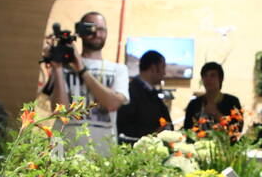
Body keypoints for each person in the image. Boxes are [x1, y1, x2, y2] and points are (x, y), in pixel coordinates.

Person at [41, 11, 128, 155]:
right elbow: (60, 113)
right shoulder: (63, 67)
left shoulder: (118, 69)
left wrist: (81, 69)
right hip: (63, 152)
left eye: (101, 29)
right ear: (80, 31)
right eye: (90, 28)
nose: (96, 33)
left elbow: (112, 103)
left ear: (106, 33)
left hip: (102, 152)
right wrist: (57, 67)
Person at [117, 50, 171, 139]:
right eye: (163, 68)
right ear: (154, 68)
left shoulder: (152, 92)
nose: (164, 73)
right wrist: (152, 134)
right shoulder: (131, 92)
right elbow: (124, 126)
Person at [183, 62, 242, 132]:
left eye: (212, 76)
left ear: (220, 79)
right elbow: (187, 130)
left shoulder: (232, 102)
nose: (208, 79)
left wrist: (216, 113)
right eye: (205, 76)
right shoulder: (194, 104)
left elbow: (237, 129)